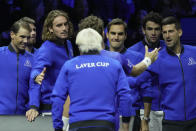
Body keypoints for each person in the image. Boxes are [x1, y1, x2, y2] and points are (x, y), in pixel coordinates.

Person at [51, 27, 133, 131]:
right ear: (100, 43)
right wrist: (125, 123)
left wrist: (58, 127)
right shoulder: (114, 65)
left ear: (79, 46)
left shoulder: (69, 66)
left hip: (78, 124)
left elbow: (57, 98)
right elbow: (126, 96)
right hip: (106, 125)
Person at [141, 16, 196, 131]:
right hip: (171, 122)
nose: (167, 35)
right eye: (164, 32)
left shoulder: (194, 52)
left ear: (179, 32)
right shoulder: (157, 58)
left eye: (170, 31)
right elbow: (137, 80)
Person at [106, 18, 158, 131]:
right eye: (113, 33)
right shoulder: (99, 58)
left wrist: (145, 121)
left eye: (120, 34)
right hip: (106, 116)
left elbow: (146, 90)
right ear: (107, 35)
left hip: (132, 116)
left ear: (125, 36)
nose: (116, 37)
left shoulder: (138, 57)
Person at [26, 10, 74, 127]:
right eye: (59, 25)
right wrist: (33, 106)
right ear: (50, 29)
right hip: (51, 110)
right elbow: (36, 74)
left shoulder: (67, 44)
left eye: (65, 24)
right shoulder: (46, 49)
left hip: (67, 107)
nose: (64, 28)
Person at [127, 11, 165, 131]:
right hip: (143, 111)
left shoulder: (168, 49)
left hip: (168, 110)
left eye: (157, 29)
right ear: (143, 30)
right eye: (149, 29)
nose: (153, 33)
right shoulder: (131, 52)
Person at [0, 19, 33, 114]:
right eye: (22, 37)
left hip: (24, 117)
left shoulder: (33, 59)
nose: (25, 41)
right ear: (12, 35)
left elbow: (34, 87)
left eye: (27, 37)